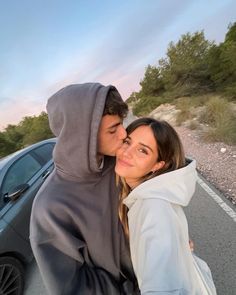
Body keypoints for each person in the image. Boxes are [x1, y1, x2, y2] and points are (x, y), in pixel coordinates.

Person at [30, 83, 139, 295]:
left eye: (121, 124)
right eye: (112, 129)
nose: (124, 133)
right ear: (81, 135)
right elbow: (72, 287)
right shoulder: (50, 207)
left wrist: (170, 235)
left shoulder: (118, 164)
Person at [115, 117, 217, 295]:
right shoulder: (146, 198)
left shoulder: (153, 208)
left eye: (142, 151)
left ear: (158, 165)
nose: (126, 153)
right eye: (127, 142)